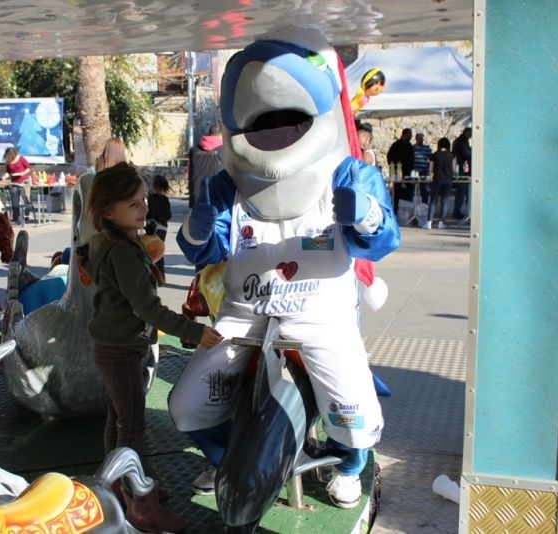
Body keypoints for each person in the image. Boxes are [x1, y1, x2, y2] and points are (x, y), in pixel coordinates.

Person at [170, 27, 399, 509]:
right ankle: (226, 455)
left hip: (320, 315)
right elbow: (199, 253)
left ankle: (347, 464)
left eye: (290, 121)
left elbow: (382, 242)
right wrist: (200, 223)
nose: (276, 131)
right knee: (189, 404)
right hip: (246, 315)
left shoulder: (349, 173)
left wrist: (366, 213)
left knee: (353, 408)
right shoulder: (226, 186)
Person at [84, 162, 223, 532]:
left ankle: (117, 487)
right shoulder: (123, 251)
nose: (144, 207)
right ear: (108, 212)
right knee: (131, 426)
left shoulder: (113, 243)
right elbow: (147, 307)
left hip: (112, 345)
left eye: (143, 200)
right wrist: (193, 333)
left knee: (117, 420)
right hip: (121, 348)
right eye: (134, 204)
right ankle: (140, 505)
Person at [187, 124, 224, 208]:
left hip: (197, 196)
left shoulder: (193, 150)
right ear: (221, 135)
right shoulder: (225, 150)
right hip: (218, 197)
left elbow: (189, 172)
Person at [425, 137, 454, 230]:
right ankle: (441, 222)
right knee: (444, 201)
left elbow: (430, 169)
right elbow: (454, 168)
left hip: (437, 179)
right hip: (448, 180)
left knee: (433, 201)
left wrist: (430, 175)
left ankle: (429, 222)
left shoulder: (434, 155)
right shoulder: (451, 155)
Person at [145, 174, 171, 275]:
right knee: (160, 252)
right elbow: (168, 215)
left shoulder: (150, 198)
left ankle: (151, 273)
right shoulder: (165, 199)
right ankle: (161, 274)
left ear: (154, 186)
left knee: (149, 252)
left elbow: (147, 213)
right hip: (163, 230)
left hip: (151, 228)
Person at [387, 127, 415, 216]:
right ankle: (395, 212)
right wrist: (394, 168)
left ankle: (406, 213)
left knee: (408, 193)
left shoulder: (410, 146)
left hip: (408, 173)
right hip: (397, 173)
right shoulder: (396, 145)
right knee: (397, 194)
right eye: (409, 134)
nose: (411, 136)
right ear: (404, 134)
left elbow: (411, 159)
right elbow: (390, 157)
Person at [2, 146, 33, 226]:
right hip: (14, 182)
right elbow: (8, 172)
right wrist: (5, 176)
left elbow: (28, 168)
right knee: (15, 202)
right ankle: (17, 218)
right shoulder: (9, 162)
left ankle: (26, 214)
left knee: (25, 199)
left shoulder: (21, 159)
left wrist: (22, 173)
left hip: (24, 181)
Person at [452, 127, 472, 219]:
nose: (471, 135)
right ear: (465, 133)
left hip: (463, 168)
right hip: (461, 169)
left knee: (463, 192)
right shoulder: (461, 142)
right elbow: (466, 154)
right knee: (461, 192)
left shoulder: (463, 141)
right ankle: (457, 212)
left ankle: (458, 211)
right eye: (470, 133)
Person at [412, 132, 433, 205]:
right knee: (412, 189)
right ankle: (411, 205)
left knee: (424, 189)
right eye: (419, 138)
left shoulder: (427, 148)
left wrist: (430, 171)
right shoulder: (412, 148)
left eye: (422, 138)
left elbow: (431, 159)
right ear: (416, 139)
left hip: (424, 171)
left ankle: (425, 204)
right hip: (414, 171)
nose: (421, 139)